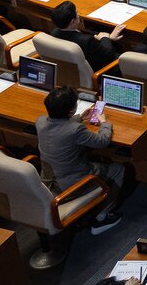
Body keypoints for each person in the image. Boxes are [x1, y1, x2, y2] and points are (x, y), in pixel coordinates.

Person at [37, 86, 135, 233]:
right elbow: (102, 142)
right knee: (119, 169)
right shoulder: (76, 130)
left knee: (93, 157)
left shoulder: (40, 122)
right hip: (72, 184)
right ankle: (101, 218)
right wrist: (104, 123)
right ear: (70, 111)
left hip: (50, 183)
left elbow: (59, 125)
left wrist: (79, 118)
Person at [50, 0, 124, 70]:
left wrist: (107, 37)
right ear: (73, 22)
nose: (78, 15)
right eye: (77, 13)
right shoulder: (86, 41)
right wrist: (105, 38)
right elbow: (107, 55)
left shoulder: (54, 33)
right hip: (101, 67)